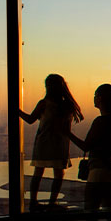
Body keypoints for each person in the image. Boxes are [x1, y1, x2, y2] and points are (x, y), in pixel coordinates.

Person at [69, 84, 111, 221]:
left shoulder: (101, 121)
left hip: (99, 170)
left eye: (95, 95)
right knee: (110, 213)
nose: (93, 98)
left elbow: (86, 146)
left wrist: (67, 133)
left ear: (101, 99)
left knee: (91, 214)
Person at [20, 73, 83, 212]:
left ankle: (34, 202)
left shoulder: (44, 103)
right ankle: (51, 203)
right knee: (58, 174)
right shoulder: (67, 105)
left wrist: (17, 111)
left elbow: (31, 119)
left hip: (44, 142)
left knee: (39, 172)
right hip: (60, 143)